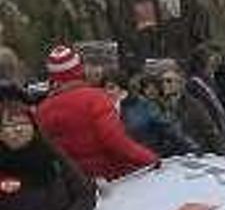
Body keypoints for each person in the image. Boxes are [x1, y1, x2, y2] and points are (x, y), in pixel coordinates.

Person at [36, 45, 158, 181]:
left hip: (78, 184)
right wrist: (152, 160)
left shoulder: (42, 110)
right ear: (79, 70)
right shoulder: (96, 98)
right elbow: (117, 142)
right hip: (111, 177)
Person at [0, 81, 97, 210]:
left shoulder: (50, 152)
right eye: (10, 125)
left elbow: (85, 192)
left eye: (23, 122)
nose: (18, 129)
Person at [101, 72, 198, 158]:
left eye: (111, 88)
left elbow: (168, 128)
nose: (107, 92)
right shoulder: (104, 111)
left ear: (123, 88)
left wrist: (192, 147)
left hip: (149, 161)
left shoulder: (144, 106)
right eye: (104, 89)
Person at [160, 64, 225, 156]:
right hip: (175, 156)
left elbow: (210, 131)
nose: (165, 84)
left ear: (180, 83)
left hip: (195, 154)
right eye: (163, 81)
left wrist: (224, 153)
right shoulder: (162, 104)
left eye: (169, 81)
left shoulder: (194, 105)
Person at [183, 47, 225, 151]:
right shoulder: (193, 85)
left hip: (222, 132)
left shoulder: (210, 82)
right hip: (210, 138)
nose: (216, 63)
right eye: (212, 59)